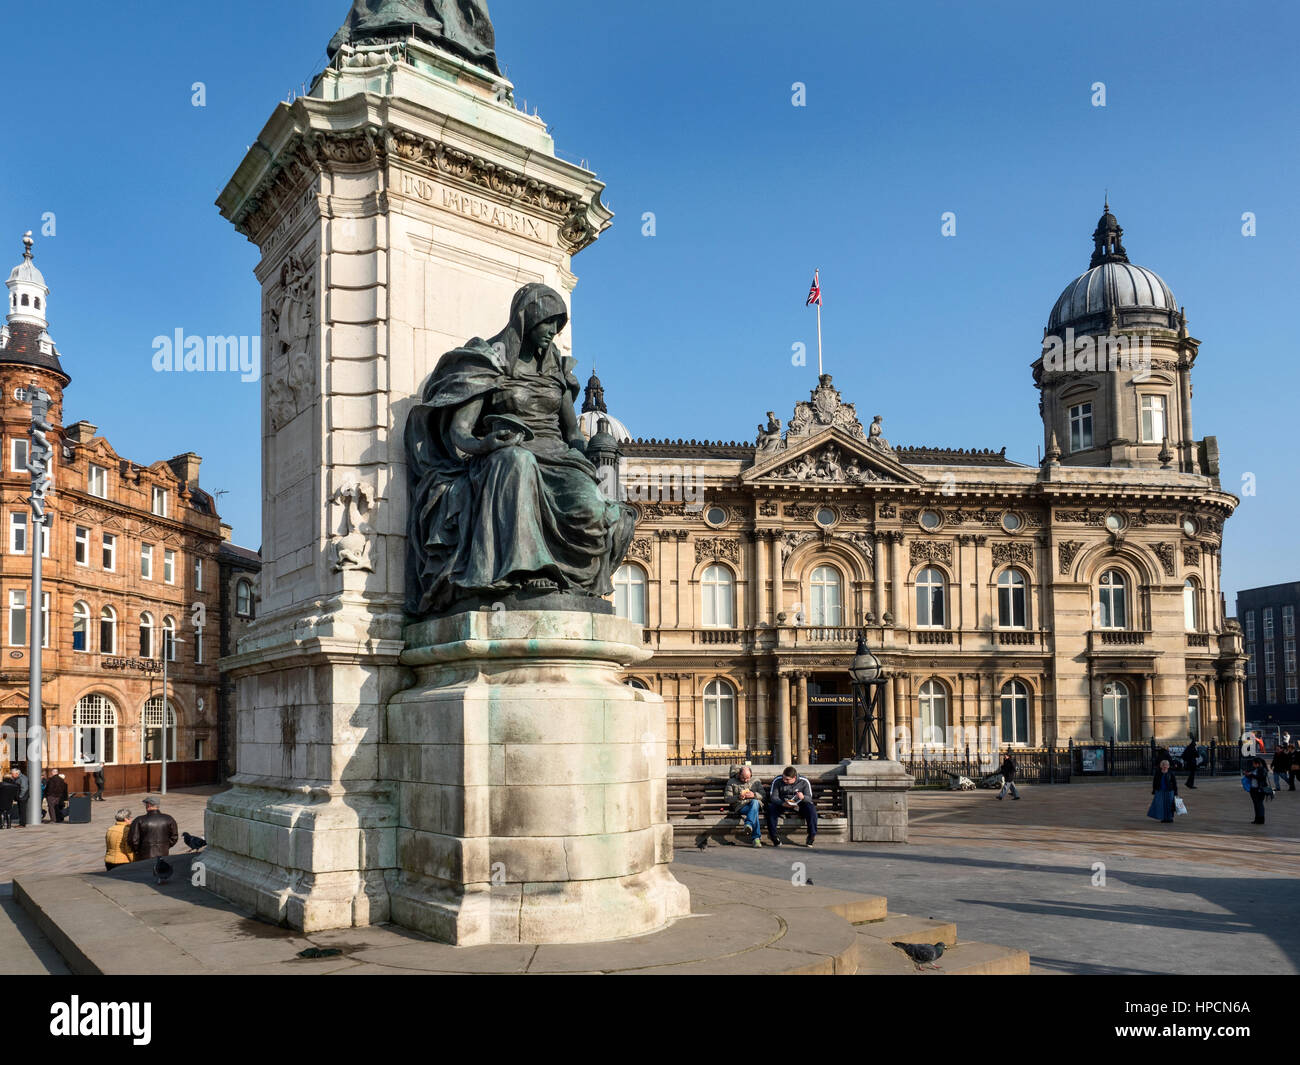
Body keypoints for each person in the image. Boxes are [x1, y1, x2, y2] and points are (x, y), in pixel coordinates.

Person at [767, 766, 817, 847]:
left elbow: (809, 798)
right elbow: (773, 797)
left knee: (811, 809)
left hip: (799, 804)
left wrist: (803, 797)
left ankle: (811, 835)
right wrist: (782, 803)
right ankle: (773, 836)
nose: (784, 780)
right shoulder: (777, 780)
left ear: (794, 777)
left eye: (787, 779)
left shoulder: (804, 781)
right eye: (783, 778)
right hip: (783, 803)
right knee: (771, 809)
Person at [723, 764, 765, 846]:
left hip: (755, 804)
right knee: (754, 812)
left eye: (748, 778)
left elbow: (763, 795)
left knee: (755, 803)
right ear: (739, 775)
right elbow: (727, 798)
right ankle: (756, 839)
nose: (746, 780)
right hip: (741, 806)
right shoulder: (732, 782)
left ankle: (748, 824)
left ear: (751, 775)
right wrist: (738, 797)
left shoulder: (756, 781)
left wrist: (754, 795)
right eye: (743, 778)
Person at [1147, 758, 1179, 823]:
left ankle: (1170, 818)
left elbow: (1174, 783)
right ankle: (1163, 818)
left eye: (1166, 765)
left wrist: (1175, 792)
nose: (1165, 766)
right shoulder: (1158, 773)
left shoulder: (1171, 773)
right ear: (1161, 766)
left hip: (1169, 791)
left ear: (1168, 766)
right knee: (1161, 805)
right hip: (1160, 791)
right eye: (1163, 765)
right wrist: (1154, 790)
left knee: (1169, 805)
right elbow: (1155, 782)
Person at [1246, 757, 1271, 825]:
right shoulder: (1255, 769)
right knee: (1256, 804)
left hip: (1260, 789)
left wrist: (1252, 775)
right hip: (1253, 789)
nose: (1253, 765)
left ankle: (1261, 819)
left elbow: (1261, 778)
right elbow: (1251, 776)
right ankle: (1257, 819)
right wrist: (1248, 774)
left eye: (1254, 763)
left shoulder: (1263, 769)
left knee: (1259, 804)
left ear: (1257, 764)